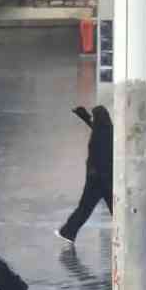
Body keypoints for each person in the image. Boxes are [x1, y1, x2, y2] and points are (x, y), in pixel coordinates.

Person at [56, 105, 113, 244]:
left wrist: (94, 172)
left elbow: (100, 156)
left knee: (85, 208)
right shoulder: (106, 130)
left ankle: (68, 231)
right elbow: (94, 125)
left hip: (97, 180)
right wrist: (84, 116)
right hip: (106, 179)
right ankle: (68, 231)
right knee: (113, 209)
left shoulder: (101, 134)